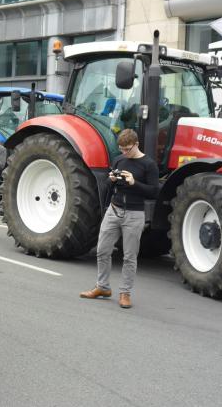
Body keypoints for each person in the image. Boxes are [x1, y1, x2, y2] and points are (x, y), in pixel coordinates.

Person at [80, 129, 159, 309]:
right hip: (114, 209)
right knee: (102, 250)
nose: (124, 153)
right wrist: (111, 180)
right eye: (121, 149)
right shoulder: (118, 159)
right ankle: (103, 287)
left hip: (135, 213)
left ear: (136, 144)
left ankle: (125, 293)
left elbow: (155, 192)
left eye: (127, 149)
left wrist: (134, 183)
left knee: (129, 257)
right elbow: (108, 186)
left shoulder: (149, 164)